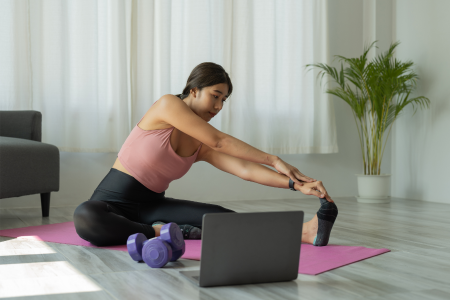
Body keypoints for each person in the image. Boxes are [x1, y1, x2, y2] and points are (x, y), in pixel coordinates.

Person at [73, 62, 337, 247]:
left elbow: (244, 170)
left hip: (153, 206)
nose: (219, 106)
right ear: (194, 89)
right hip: (111, 204)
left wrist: (296, 184)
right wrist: (274, 159)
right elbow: (219, 140)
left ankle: (305, 233)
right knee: (85, 216)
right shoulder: (167, 105)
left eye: (224, 100)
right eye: (216, 95)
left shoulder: (201, 143)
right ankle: (158, 232)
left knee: (222, 218)